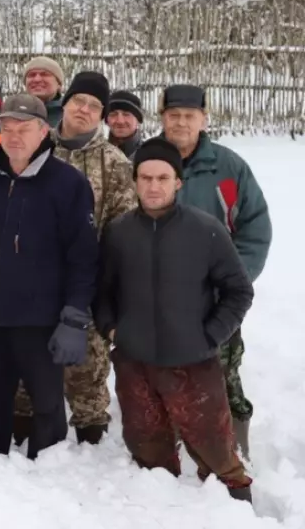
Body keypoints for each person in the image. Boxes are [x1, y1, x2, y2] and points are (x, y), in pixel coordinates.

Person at [96, 138, 254, 502]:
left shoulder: (206, 230)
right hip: (136, 361)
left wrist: (210, 335)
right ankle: (162, 509)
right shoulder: (118, 232)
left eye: (162, 178)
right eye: (146, 177)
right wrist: (112, 328)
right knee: (145, 444)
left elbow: (238, 291)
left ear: (177, 182)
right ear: (135, 180)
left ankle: (237, 513)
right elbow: (102, 291)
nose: (153, 186)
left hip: (193, 361)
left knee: (215, 446)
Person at [0, 94, 98, 459]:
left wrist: (74, 316)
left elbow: (83, 257)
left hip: (42, 321)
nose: (14, 136)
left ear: (43, 131)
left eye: (23, 128)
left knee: (46, 404)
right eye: (6, 128)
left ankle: (47, 472)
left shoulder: (68, 184)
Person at [14, 71, 136, 447]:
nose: (84, 110)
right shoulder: (34, 148)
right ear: (64, 103)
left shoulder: (114, 164)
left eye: (94, 106)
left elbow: (122, 232)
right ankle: (21, 427)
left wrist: (105, 291)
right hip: (30, 282)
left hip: (85, 285)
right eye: (78, 101)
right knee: (25, 368)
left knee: (86, 370)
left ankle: (89, 436)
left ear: (101, 115)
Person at [159, 83, 271, 458]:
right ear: (162, 118)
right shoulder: (147, 160)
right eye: (173, 115)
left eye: (189, 116)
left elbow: (255, 228)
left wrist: (232, 283)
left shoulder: (228, 167)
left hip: (216, 298)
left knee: (222, 372)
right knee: (161, 370)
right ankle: (167, 442)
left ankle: (232, 448)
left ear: (203, 119)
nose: (181, 123)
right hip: (158, 296)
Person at [23, 57, 65, 129]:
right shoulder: (12, 113)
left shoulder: (69, 115)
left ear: (58, 84)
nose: (37, 79)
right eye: (32, 75)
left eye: (44, 74)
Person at [107, 90, 144, 160]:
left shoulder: (149, 155)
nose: (120, 121)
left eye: (126, 114)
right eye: (113, 114)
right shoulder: (95, 154)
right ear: (107, 121)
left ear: (138, 120)